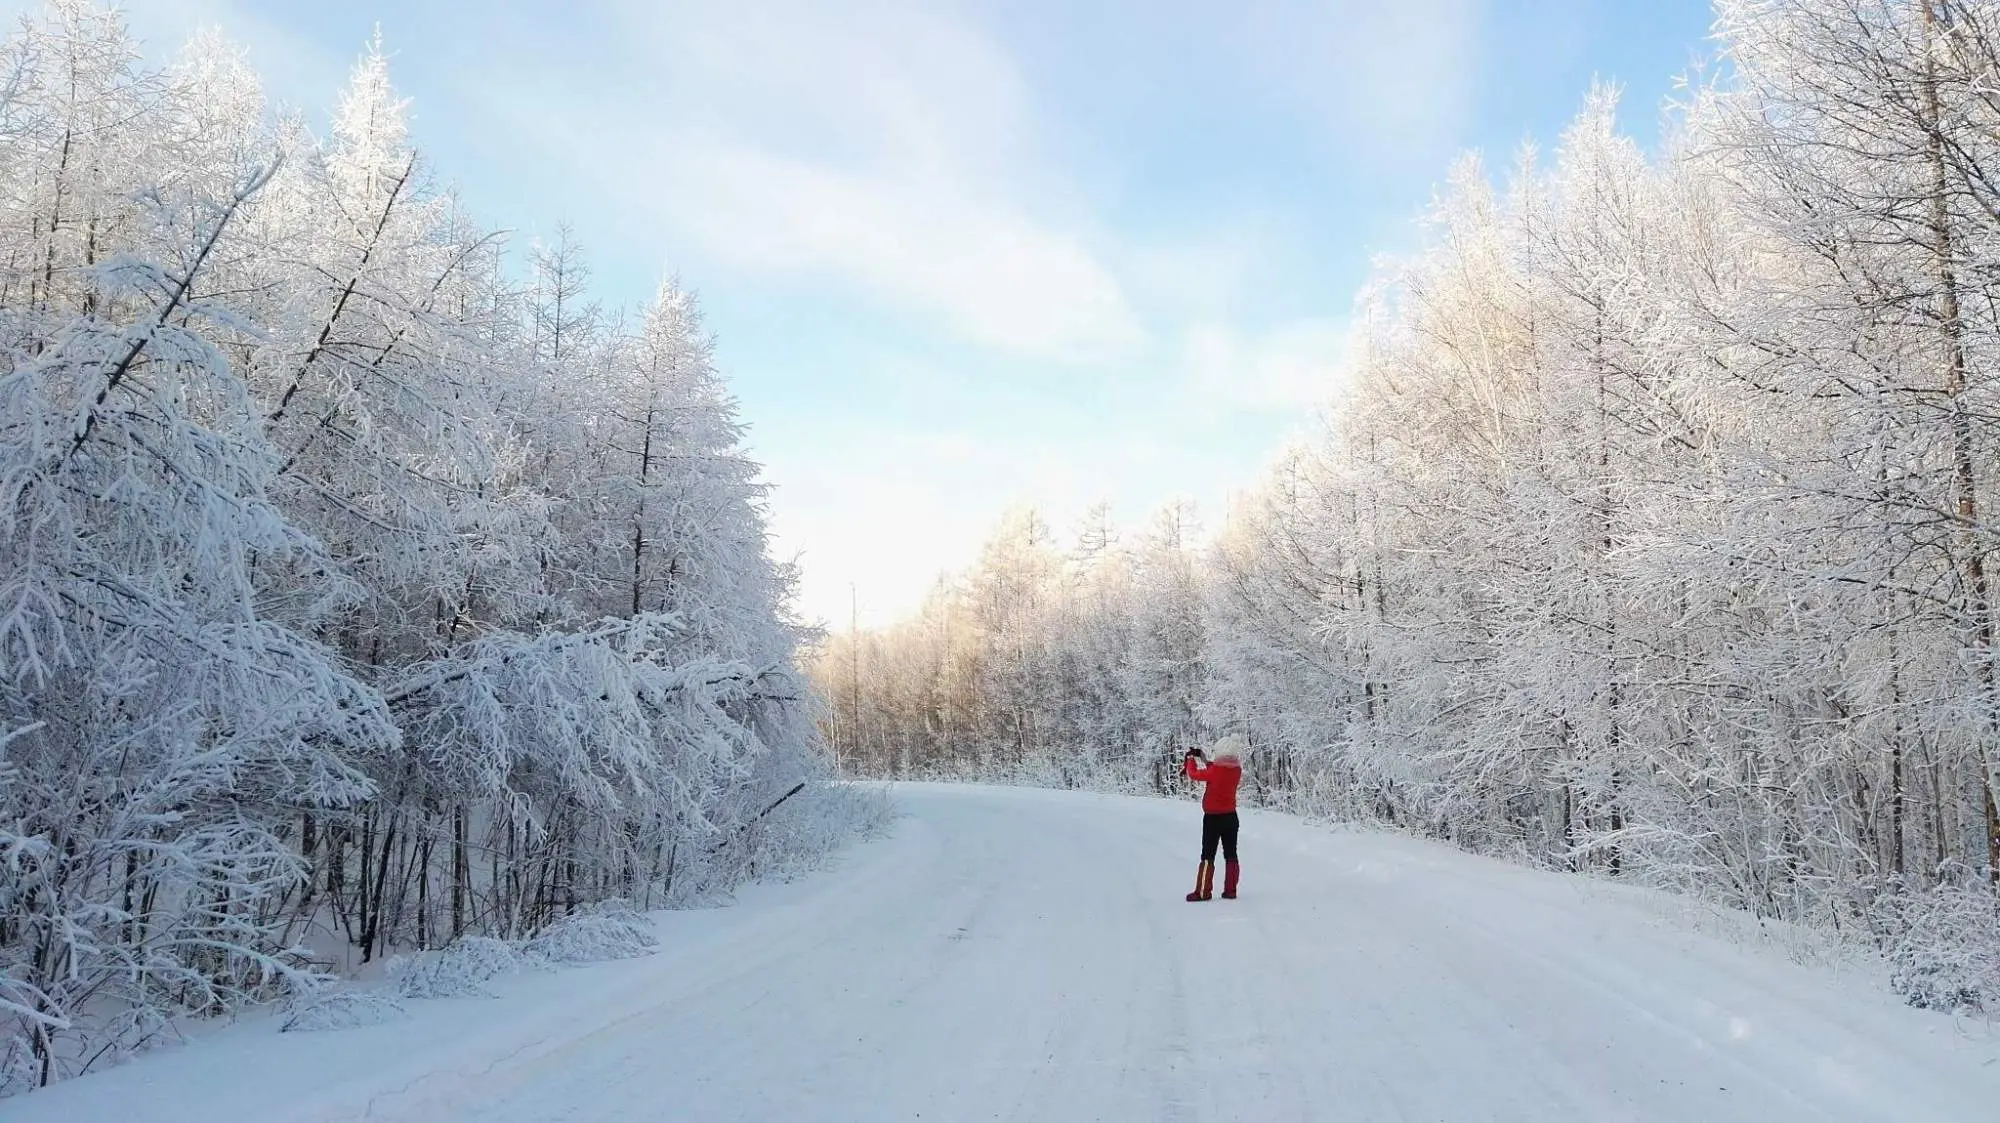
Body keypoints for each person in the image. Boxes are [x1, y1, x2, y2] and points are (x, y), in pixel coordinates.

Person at [1182, 735, 1244, 901]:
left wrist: (1190, 760)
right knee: (1231, 854)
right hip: (1231, 817)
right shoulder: (1237, 770)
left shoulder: (1214, 771)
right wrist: (1202, 757)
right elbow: (1215, 769)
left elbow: (1194, 774)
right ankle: (1231, 890)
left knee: (1208, 854)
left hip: (1212, 819)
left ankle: (1202, 891)